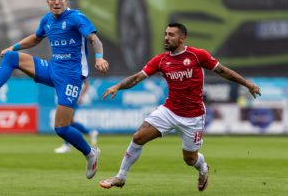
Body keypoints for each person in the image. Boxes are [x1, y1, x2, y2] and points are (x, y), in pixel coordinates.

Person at [0, 0, 109, 179]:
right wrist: (12, 46)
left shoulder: (76, 17)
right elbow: (36, 39)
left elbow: (94, 39)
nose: (57, 2)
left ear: (66, 0)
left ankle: (90, 153)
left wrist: (99, 57)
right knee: (12, 57)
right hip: (53, 69)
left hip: (71, 77)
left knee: (61, 128)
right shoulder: (47, 20)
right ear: (48, 2)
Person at [99, 23, 261, 191]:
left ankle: (203, 168)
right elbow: (137, 78)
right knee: (139, 137)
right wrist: (117, 86)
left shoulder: (198, 55)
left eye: (171, 35)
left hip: (193, 116)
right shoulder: (161, 60)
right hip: (169, 110)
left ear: (182, 38)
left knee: (189, 159)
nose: (166, 38)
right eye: (165, 34)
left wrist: (247, 84)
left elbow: (223, 71)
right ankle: (120, 177)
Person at [54, 80, 99, 153]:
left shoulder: (77, 69)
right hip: (65, 98)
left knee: (67, 122)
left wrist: (81, 96)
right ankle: (90, 133)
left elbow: (86, 83)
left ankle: (66, 145)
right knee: (70, 122)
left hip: (72, 98)